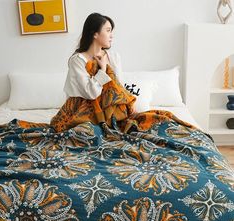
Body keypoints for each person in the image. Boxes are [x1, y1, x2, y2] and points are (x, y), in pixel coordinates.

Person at [50, 12, 194, 134]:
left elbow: (119, 88)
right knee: (87, 134)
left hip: (112, 111)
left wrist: (130, 105)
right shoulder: (78, 60)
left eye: (111, 31)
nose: (111, 35)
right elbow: (90, 93)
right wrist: (102, 69)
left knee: (162, 121)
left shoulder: (113, 57)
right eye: (107, 30)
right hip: (81, 113)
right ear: (95, 34)